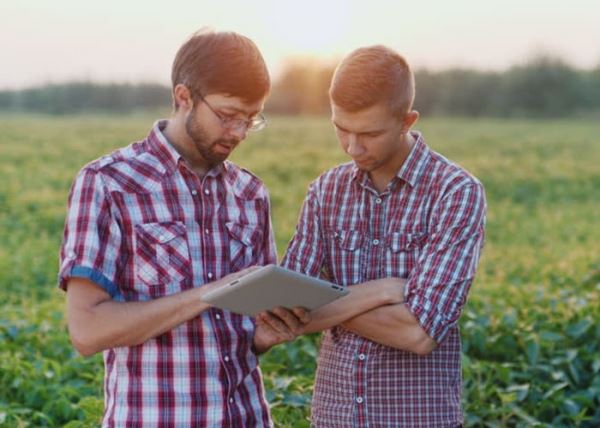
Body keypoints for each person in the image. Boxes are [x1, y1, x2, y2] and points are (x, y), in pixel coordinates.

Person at [58, 29, 309, 427]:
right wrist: (209, 295)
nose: (239, 133)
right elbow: (87, 331)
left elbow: (247, 331)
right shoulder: (109, 183)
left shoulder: (250, 193)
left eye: (251, 119)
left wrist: (266, 334)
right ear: (183, 98)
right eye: (228, 116)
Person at [282, 45, 487, 427]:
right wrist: (377, 292)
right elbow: (288, 311)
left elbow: (418, 332)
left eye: (369, 133)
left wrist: (322, 303)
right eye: (341, 129)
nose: (352, 147)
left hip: (417, 418)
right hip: (334, 417)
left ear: (407, 120)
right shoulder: (325, 191)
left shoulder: (454, 192)